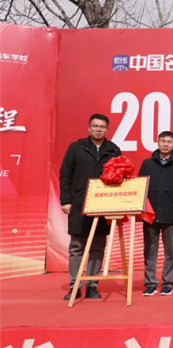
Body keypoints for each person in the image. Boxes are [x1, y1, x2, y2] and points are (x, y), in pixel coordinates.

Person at [59, 114, 122, 300]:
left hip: (102, 206)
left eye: (102, 127)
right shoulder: (76, 148)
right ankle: (75, 285)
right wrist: (66, 200)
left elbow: (120, 178)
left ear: (107, 130)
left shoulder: (113, 150)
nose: (98, 129)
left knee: (97, 247)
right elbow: (65, 175)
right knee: (77, 246)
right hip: (79, 204)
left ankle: (93, 285)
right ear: (89, 128)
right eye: (95, 126)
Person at [138, 131, 173, 296]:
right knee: (150, 250)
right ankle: (150, 283)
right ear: (157, 142)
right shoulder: (147, 163)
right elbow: (140, 187)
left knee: (171, 251)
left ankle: (168, 282)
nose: (165, 144)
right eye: (163, 141)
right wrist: (140, 209)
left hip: (172, 214)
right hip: (150, 214)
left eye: (169, 142)